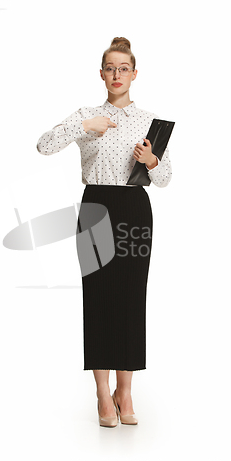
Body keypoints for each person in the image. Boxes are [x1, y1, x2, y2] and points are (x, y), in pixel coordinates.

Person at [36, 37, 172, 427]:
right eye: (110, 68)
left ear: (134, 73)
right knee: (98, 294)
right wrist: (83, 126)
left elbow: (164, 178)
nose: (117, 75)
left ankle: (125, 391)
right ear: (101, 73)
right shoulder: (87, 114)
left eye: (123, 68)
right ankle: (101, 394)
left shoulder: (149, 120)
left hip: (134, 207)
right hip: (95, 207)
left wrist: (152, 160)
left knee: (131, 295)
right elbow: (43, 146)